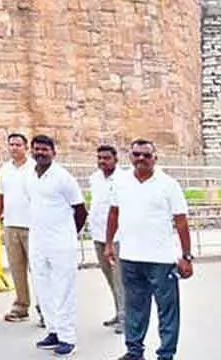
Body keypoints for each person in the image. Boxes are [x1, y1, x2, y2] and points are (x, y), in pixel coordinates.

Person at [105, 139, 192, 360]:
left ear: (155, 157)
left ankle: (166, 354)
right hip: (130, 258)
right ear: (130, 156)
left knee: (168, 311)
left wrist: (186, 256)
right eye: (136, 154)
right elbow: (114, 213)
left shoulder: (168, 184)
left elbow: (181, 221)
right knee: (135, 308)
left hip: (161, 260)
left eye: (146, 155)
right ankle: (134, 352)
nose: (141, 159)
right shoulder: (122, 182)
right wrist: (108, 244)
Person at [24, 135, 86, 357]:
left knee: (63, 290)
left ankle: (68, 338)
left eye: (45, 149)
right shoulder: (30, 176)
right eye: (37, 149)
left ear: (53, 152)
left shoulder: (63, 178)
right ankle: (53, 331)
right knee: (43, 288)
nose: (40, 152)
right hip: (38, 241)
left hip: (61, 244)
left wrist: (68, 235)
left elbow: (80, 210)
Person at [0, 132, 37, 323]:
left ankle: (45, 308)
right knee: (17, 268)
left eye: (18, 144)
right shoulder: (5, 170)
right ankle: (21, 306)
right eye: (11, 145)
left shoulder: (35, 168)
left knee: (39, 270)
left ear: (26, 147)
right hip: (11, 224)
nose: (14, 148)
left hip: (32, 225)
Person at [88, 144, 125, 333]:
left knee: (120, 279)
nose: (102, 161)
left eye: (106, 158)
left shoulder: (124, 179)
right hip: (98, 234)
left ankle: (126, 318)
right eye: (99, 158)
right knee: (110, 277)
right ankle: (119, 312)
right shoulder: (94, 179)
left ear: (115, 159)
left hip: (118, 237)